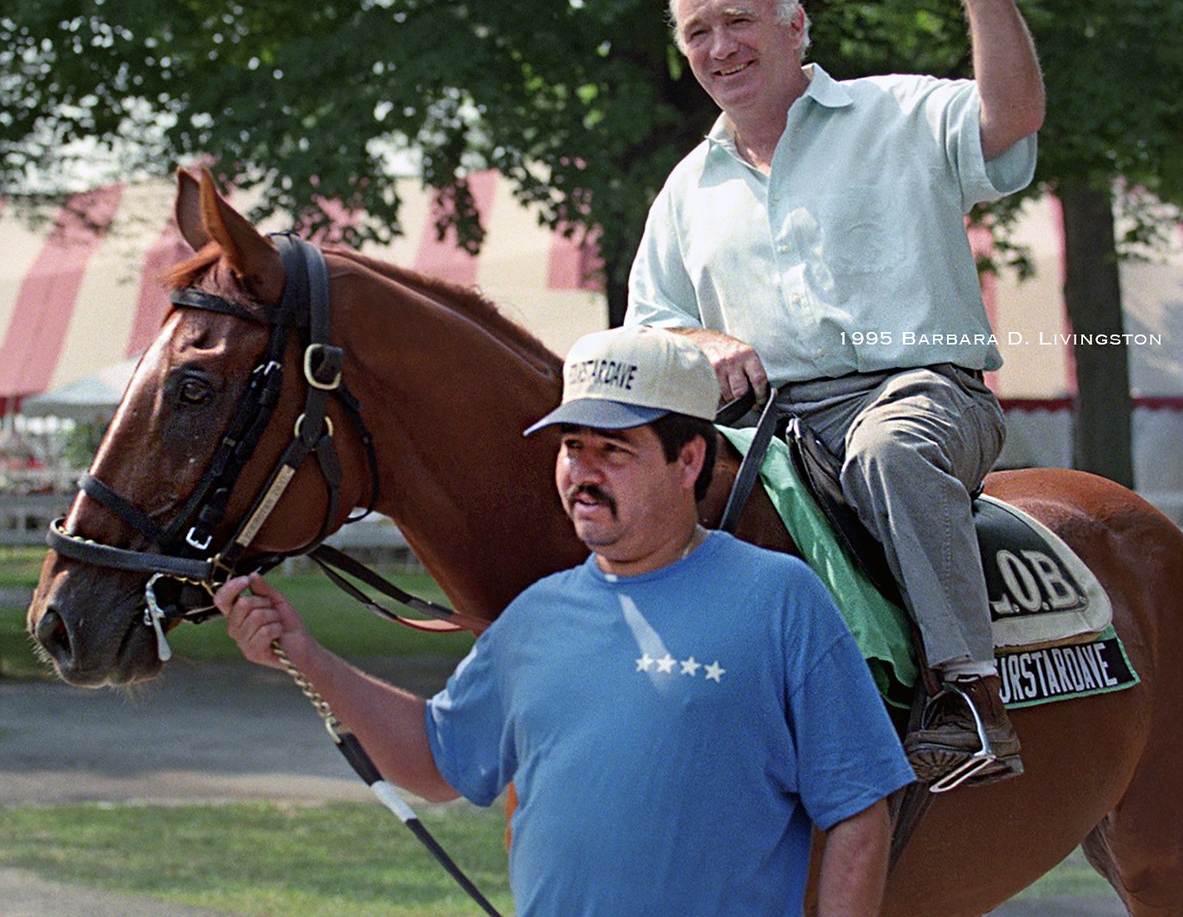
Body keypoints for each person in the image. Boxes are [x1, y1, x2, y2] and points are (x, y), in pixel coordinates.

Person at [216, 325, 914, 917]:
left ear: (688, 460)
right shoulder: (535, 616)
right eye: (571, 447)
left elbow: (858, 811)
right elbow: (435, 762)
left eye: (613, 451)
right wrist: (304, 654)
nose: (582, 473)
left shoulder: (779, 599)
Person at [625, 0, 1045, 787]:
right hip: (766, 427)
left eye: (738, 21)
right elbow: (649, 325)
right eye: (697, 33)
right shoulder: (685, 189)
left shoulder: (900, 112)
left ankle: (969, 696)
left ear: (795, 28)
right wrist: (701, 340)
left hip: (920, 396)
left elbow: (1009, 120)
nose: (719, 47)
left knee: (889, 451)